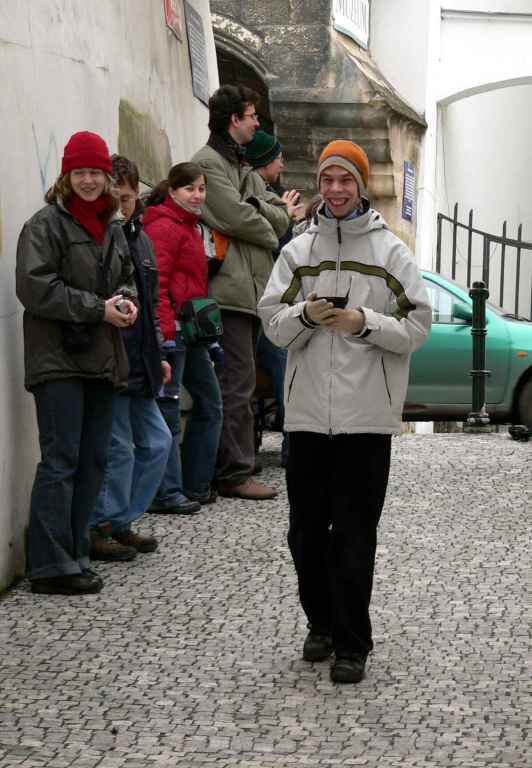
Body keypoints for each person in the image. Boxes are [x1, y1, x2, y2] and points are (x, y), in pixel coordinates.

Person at [258, 140, 432, 683]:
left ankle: (353, 642)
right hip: (308, 417)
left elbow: (417, 326)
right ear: (319, 184)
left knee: (354, 534)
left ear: (361, 185)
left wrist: (364, 323)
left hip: (365, 419)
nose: (336, 190)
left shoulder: (391, 253)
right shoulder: (297, 252)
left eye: (346, 180)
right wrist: (307, 316)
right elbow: (271, 322)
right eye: (328, 180)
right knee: (305, 534)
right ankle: (322, 623)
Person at [16, 131, 138, 595]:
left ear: (107, 177)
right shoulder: (44, 225)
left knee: (93, 461)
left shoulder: (112, 226)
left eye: (95, 172)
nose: (88, 180)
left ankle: (76, 554)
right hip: (58, 360)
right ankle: (49, 565)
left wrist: (126, 302)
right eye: (80, 172)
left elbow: (126, 277)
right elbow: (34, 288)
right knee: (62, 460)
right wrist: (97, 309)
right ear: (67, 176)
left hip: (101, 357)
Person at [192, 86, 290, 500]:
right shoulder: (207, 164)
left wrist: (262, 214)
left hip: (250, 292)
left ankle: (235, 466)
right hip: (228, 292)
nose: (256, 123)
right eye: (252, 116)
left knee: (241, 383)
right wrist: (266, 226)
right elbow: (233, 216)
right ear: (234, 119)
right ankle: (233, 472)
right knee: (235, 384)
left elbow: (281, 215)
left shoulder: (242, 164)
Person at [88, 154, 173, 561]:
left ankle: (121, 518)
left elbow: (151, 303)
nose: (122, 206)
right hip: (113, 359)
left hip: (141, 358)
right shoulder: (102, 235)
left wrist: (158, 351)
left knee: (158, 442)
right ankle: (101, 524)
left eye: (127, 198)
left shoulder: (140, 237)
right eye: (116, 198)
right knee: (119, 448)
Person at [143, 163, 223, 512]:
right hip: (173, 332)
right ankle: (167, 492)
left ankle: (195, 484)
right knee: (170, 411)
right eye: (190, 189)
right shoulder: (164, 227)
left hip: (192, 333)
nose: (197, 195)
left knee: (210, 403)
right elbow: (156, 285)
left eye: (202, 189)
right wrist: (164, 334)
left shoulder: (190, 226)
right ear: (173, 191)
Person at [245, 131, 302, 467]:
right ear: (264, 161)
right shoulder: (260, 196)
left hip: (264, 295)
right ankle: (291, 439)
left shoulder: (272, 195)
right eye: (278, 158)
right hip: (258, 297)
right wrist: (287, 219)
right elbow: (274, 246)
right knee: (280, 361)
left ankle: (292, 438)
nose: (282, 164)